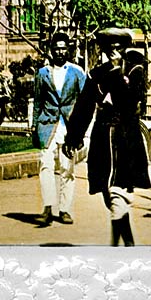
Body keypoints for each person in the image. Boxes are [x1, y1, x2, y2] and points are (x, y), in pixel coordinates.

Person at [63, 28, 151, 246]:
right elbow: (84, 106)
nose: (114, 53)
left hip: (126, 136)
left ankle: (120, 247)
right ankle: (126, 245)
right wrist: (73, 137)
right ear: (103, 50)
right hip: (103, 137)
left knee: (117, 192)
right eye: (109, 49)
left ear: (125, 48)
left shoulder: (135, 68)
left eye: (118, 48)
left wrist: (116, 72)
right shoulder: (96, 74)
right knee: (109, 194)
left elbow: (130, 100)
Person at [32, 30, 87, 226]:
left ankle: (64, 209)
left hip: (69, 128)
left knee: (67, 168)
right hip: (48, 126)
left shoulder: (77, 72)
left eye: (64, 49)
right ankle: (47, 208)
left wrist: (80, 131)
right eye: (57, 49)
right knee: (46, 166)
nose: (60, 53)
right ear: (51, 50)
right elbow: (38, 102)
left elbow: (85, 103)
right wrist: (34, 126)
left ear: (68, 50)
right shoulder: (42, 73)